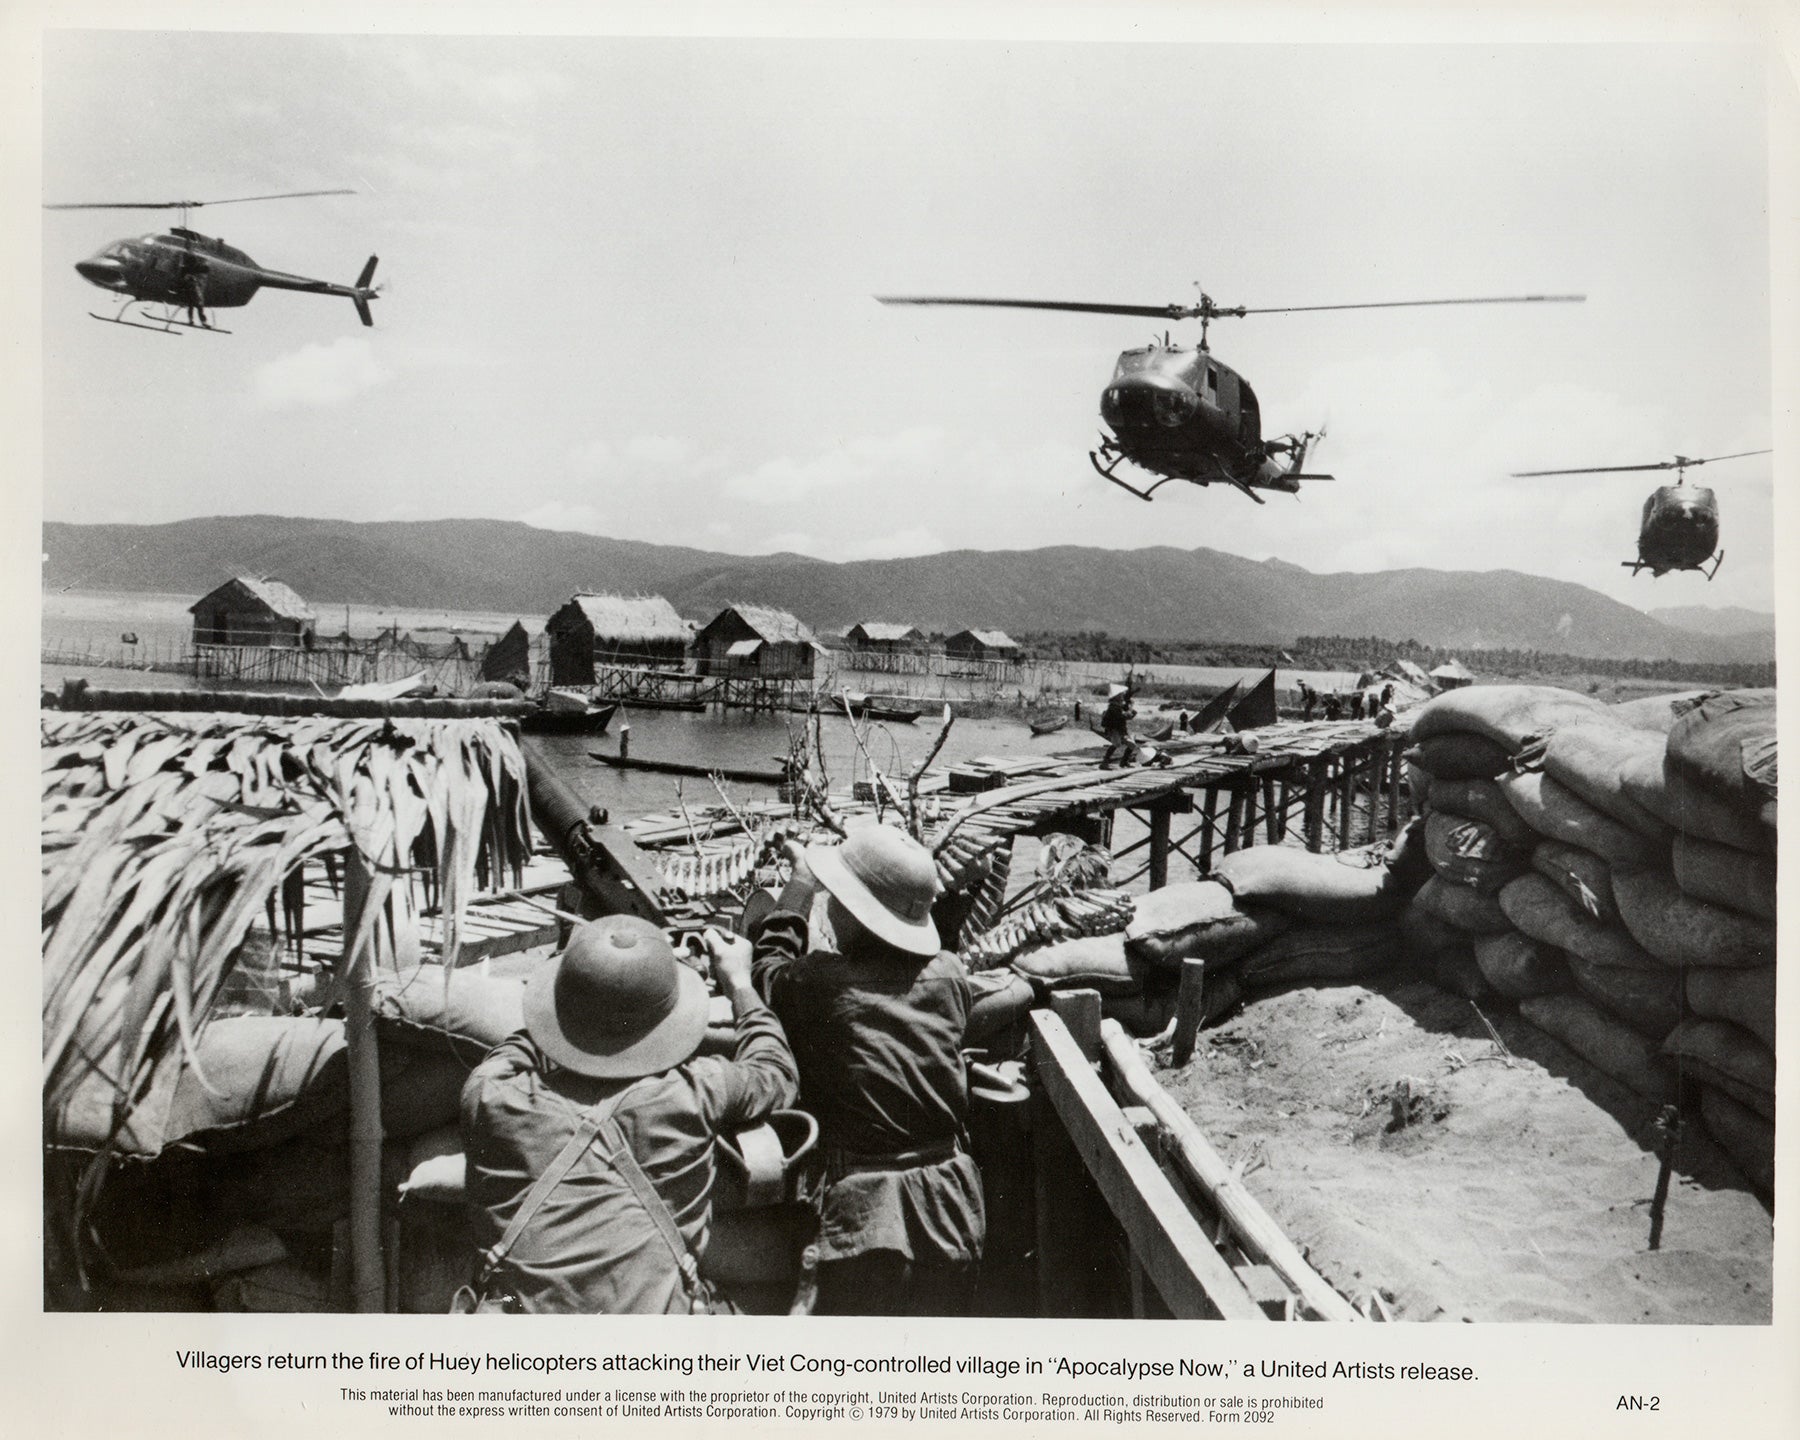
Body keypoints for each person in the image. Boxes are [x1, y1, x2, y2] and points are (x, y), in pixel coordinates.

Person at [460, 915, 798, 1313]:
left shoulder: (490, 1094)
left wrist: (575, 986)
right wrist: (738, 982)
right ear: (669, 1023)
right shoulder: (696, 1091)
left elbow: (520, 1046)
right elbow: (775, 1071)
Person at [736, 826, 985, 1317]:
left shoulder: (821, 983)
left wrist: (800, 883)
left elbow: (767, 969)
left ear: (850, 911)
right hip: (952, 1211)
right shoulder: (951, 974)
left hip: (864, 1223)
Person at [1098, 683, 1136, 770]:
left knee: (1131, 745)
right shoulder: (1113, 707)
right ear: (1117, 697)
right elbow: (1123, 716)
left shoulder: (1117, 706)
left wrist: (1130, 707)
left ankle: (1124, 762)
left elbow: (1127, 714)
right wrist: (1130, 709)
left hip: (1120, 730)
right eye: (1121, 695)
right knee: (1116, 744)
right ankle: (1104, 763)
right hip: (1114, 730)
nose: (1122, 697)